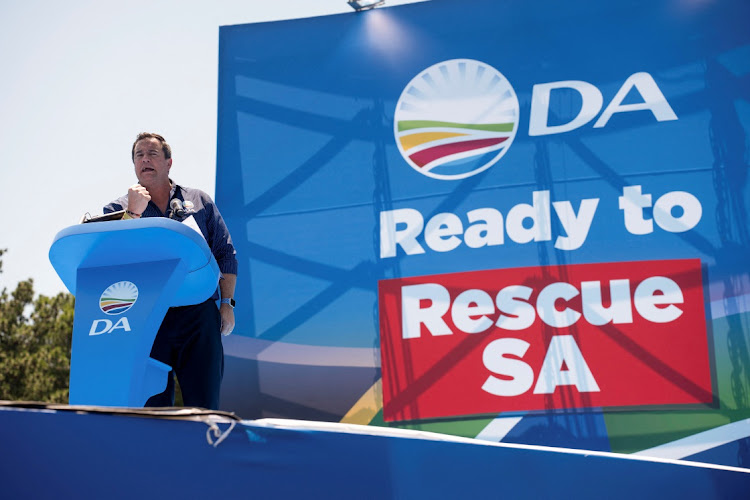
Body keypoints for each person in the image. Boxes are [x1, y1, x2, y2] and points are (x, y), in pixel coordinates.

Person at [104, 132, 238, 410]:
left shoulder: (199, 200)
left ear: (168, 163)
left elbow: (225, 254)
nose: (145, 159)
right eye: (139, 155)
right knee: (153, 410)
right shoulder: (118, 208)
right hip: (147, 318)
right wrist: (133, 214)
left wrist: (227, 304)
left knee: (204, 408)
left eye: (152, 153)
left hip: (198, 315)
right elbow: (111, 258)